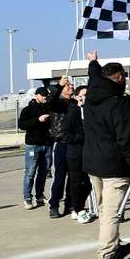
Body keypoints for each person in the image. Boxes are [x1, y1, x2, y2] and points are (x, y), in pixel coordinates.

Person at [83, 51, 130, 259]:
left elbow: (93, 75)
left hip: (92, 163)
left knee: (102, 209)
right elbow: (125, 137)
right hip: (113, 165)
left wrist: (93, 62)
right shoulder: (118, 103)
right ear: (119, 78)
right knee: (111, 214)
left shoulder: (91, 96)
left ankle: (115, 247)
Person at [61, 84, 94, 223]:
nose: (85, 97)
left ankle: (77, 207)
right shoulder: (73, 112)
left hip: (87, 153)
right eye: (83, 94)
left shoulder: (89, 112)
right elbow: (65, 134)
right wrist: (80, 137)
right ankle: (78, 209)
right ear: (77, 96)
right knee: (76, 182)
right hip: (74, 153)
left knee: (87, 184)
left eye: (87, 95)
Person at [18, 87, 54, 210]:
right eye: (42, 95)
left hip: (47, 144)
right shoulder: (27, 110)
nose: (45, 97)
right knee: (30, 172)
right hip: (33, 145)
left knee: (43, 173)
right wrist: (37, 120)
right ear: (36, 95)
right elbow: (22, 125)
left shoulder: (48, 108)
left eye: (46, 95)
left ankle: (40, 196)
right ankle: (27, 198)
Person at [47, 76, 74, 218]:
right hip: (61, 142)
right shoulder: (57, 103)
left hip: (75, 144)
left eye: (71, 85)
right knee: (60, 176)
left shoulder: (75, 103)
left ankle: (70, 204)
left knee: (74, 176)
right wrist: (58, 85)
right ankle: (54, 204)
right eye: (67, 85)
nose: (71, 87)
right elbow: (49, 101)